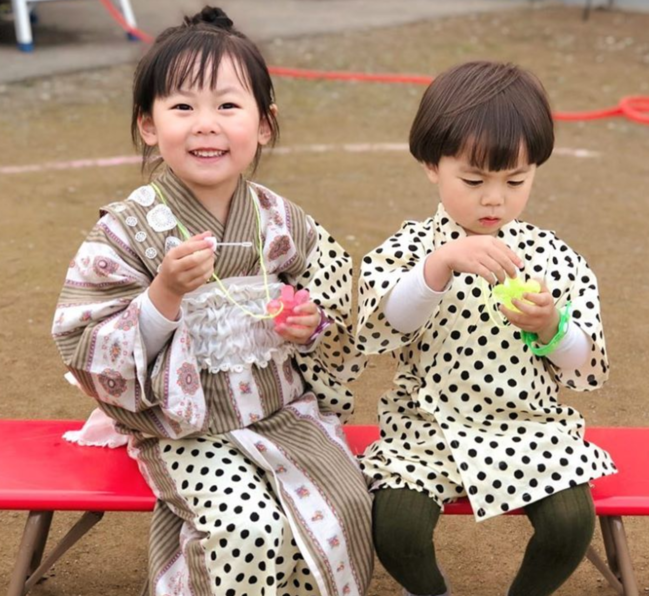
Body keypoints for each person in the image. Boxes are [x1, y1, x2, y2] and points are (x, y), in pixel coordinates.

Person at [51, 7, 372, 596]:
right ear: (148, 125)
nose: (205, 124)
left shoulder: (282, 221)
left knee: (343, 509)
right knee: (245, 527)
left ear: (264, 124)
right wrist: (163, 293)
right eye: (181, 107)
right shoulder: (127, 230)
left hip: (281, 412)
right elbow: (81, 338)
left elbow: (337, 302)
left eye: (227, 105)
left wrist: (310, 322)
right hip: (185, 431)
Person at [356, 61, 615, 596]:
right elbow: (380, 325)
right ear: (433, 165)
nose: (494, 198)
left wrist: (551, 327)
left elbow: (585, 363)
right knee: (396, 527)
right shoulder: (412, 248)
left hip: (531, 428)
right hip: (427, 430)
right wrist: (439, 264)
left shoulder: (555, 259)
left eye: (515, 180)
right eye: (473, 181)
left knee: (570, 522)